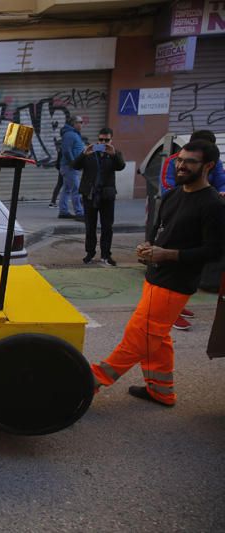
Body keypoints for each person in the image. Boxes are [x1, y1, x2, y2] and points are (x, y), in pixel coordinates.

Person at [90, 140, 225, 407]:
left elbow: (214, 251)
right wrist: (148, 247)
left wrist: (169, 255)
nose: (182, 166)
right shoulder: (174, 194)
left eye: (190, 162)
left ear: (208, 166)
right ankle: (161, 390)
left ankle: (89, 383)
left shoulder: (213, 205)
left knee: (138, 336)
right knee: (157, 337)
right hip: (155, 277)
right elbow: (161, 230)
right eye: (180, 160)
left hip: (176, 283)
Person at [159, 130, 225, 331]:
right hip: (179, 212)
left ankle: (176, 307)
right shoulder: (173, 162)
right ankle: (174, 309)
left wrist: (220, 192)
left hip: (200, 215)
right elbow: (167, 185)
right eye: (181, 160)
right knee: (149, 329)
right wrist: (184, 199)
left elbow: (221, 180)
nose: (182, 165)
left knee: (149, 330)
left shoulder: (211, 201)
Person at [72, 127, 126, 266]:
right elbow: (75, 166)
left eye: (106, 140)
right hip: (90, 195)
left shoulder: (114, 153)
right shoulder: (89, 153)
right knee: (90, 226)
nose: (103, 143)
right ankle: (90, 253)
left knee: (107, 227)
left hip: (107, 196)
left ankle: (106, 255)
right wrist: (84, 153)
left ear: (111, 140)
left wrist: (114, 154)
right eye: (101, 140)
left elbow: (121, 166)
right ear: (97, 139)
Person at [58, 116, 85, 221]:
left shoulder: (73, 134)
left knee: (67, 190)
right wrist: (73, 163)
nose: (82, 124)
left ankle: (63, 211)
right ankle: (79, 212)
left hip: (70, 167)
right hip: (70, 167)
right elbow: (66, 150)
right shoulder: (70, 134)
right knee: (76, 190)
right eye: (80, 122)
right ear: (74, 123)